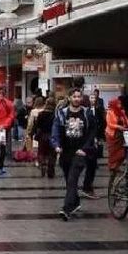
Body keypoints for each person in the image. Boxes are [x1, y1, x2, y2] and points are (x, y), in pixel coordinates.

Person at [52, 88, 97, 221]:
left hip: (80, 153)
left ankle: (66, 209)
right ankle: (75, 202)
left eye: (79, 96)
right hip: (66, 152)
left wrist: (85, 148)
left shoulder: (87, 113)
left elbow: (92, 131)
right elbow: (56, 130)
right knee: (69, 181)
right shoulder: (62, 113)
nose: (77, 99)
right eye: (74, 96)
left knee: (72, 179)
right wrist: (57, 145)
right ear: (70, 98)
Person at [105, 98, 128, 172]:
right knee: (113, 152)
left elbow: (127, 121)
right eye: (118, 104)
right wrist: (119, 127)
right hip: (112, 135)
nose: (119, 105)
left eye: (120, 104)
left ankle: (117, 166)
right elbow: (110, 124)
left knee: (122, 152)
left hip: (121, 134)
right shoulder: (110, 112)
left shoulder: (122, 112)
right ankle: (112, 167)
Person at [33, 97, 57, 178]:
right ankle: (50, 170)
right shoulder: (56, 115)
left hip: (42, 136)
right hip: (53, 136)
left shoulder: (41, 114)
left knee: (41, 152)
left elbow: (37, 126)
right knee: (52, 154)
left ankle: (42, 164)